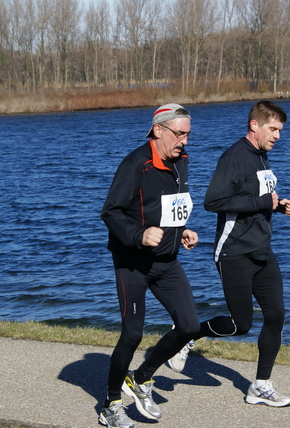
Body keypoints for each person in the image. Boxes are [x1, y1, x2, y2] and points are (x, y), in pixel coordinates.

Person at [171, 100, 290, 407]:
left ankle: (261, 386)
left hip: (261, 250)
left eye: (280, 130)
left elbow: (256, 199)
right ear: (255, 125)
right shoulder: (235, 157)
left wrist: (277, 206)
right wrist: (263, 203)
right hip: (234, 252)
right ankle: (186, 335)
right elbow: (213, 201)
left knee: (276, 315)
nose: (278, 135)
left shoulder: (261, 156)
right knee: (241, 325)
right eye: (274, 129)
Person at [99, 103, 200, 428]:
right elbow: (111, 212)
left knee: (188, 327)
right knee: (132, 335)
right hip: (133, 264)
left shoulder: (180, 161)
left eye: (188, 134)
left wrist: (180, 230)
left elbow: (166, 207)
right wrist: (139, 235)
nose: (184, 141)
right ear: (158, 130)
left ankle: (140, 378)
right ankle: (110, 405)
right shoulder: (135, 164)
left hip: (167, 261)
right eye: (179, 133)